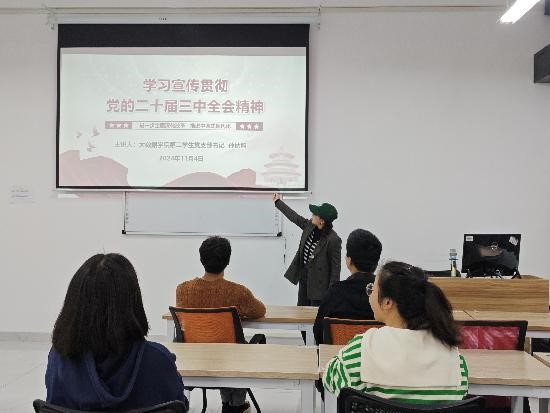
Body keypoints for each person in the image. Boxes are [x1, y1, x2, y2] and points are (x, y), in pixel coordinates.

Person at [46, 253, 188, 411]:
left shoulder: (59, 360)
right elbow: (179, 405)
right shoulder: (159, 360)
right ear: (133, 303)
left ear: (74, 304)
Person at [323, 261, 468, 404]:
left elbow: (330, 379)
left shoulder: (362, 349)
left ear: (387, 302)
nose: (370, 294)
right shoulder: (455, 362)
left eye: (372, 289)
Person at [176, 236, 266, 413]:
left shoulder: (183, 290)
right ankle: (236, 405)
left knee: (224, 348)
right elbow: (259, 311)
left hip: (195, 358)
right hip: (229, 361)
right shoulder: (237, 292)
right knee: (236, 350)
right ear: (228, 261)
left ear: (201, 259)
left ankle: (229, 404)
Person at [313, 228, 382, 345]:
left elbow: (318, 332)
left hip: (339, 355)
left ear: (349, 261)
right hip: (376, 355)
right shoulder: (386, 294)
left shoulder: (335, 293)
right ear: (376, 263)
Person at [273, 194, 341, 306]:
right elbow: (294, 217)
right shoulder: (309, 226)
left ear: (322, 221)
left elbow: (335, 270)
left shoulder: (333, 240)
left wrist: (332, 294)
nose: (312, 215)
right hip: (304, 277)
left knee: (315, 313)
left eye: (315, 214)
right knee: (301, 309)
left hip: (320, 285)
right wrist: (277, 202)